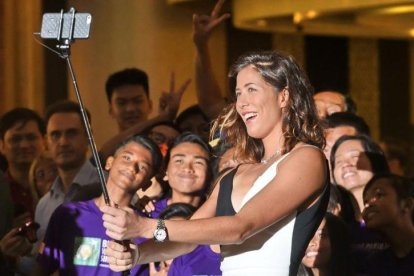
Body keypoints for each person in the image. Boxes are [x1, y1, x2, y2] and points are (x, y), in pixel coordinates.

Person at [101, 51, 330, 275]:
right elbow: (187, 242)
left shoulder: (306, 158)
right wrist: (138, 255)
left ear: (284, 96)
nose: (242, 103)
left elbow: (242, 227)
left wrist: (147, 227)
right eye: (238, 93)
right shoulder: (234, 174)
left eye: (251, 90)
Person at [35, 135, 163, 275]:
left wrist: (158, 206)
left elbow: (171, 241)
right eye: (127, 158)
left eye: (143, 166)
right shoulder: (67, 213)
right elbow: (42, 270)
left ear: (147, 183)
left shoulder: (149, 223)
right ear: (109, 163)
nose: (132, 167)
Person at [35, 101, 102, 244]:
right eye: (55, 135)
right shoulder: (43, 205)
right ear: (46, 141)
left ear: (88, 136)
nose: (63, 142)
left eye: (72, 133)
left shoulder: (109, 186)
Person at [361, 173, 414, 275]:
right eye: (365, 202)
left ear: (407, 204)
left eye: (379, 195)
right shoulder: (374, 265)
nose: (369, 204)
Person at [0, 108, 46, 223]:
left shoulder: (58, 186)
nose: (24, 145)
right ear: (2, 146)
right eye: (15, 139)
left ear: (44, 141)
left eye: (31, 138)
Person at [330, 134, 389, 211]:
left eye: (355, 156)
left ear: (375, 162)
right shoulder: (330, 219)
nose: (345, 164)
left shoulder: (396, 213)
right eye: (339, 161)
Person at [105, 68, 153, 132]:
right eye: (121, 103)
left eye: (137, 101)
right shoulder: (110, 142)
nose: (130, 109)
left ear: (150, 105)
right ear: (111, 110)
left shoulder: (165, 141)